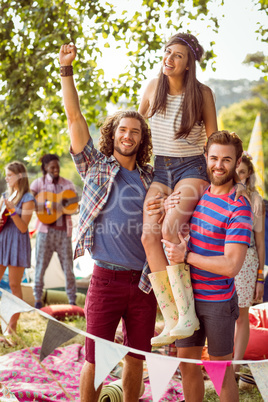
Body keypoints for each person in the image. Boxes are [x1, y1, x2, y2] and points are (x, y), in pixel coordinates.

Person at [59, 43, 173, 402]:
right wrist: (66, 71)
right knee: (95, 359)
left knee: (137, 359)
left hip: (143, 283)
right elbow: (75, 118)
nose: (128, 135)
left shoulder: (152, 178)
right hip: (105, 278)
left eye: (135, 131)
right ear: (114, 133)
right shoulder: (95, 165)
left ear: (142, 139)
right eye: (123, 130)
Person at [138, 32, 218, 346]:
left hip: (192, 167)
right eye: (167, 53)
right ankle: (171, 317)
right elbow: (135, 127)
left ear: (188, 65)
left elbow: (213, 139)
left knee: (170, 228)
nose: (169, 59)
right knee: (148, 234)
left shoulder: (202, 93)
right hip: (161, 169)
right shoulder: (152, 88)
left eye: (178, 56)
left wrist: (222, 180)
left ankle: (188, 314)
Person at [162, 131, 253, 402]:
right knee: (187, 367)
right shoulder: (199, 193)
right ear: (205, 157)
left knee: (220, 374)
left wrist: (185, 257)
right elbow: (175, 228)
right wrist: (169, 206)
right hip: (187, 297)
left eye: (227, 159)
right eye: (214, 158)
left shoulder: (239, 207)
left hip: (217, 301)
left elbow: (231, 266)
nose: (219, 165)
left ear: (237, 162)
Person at [30, 154, 77, 309]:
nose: (56, 170)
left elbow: (74, 205)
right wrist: (48, 204)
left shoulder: (68, 184)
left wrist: (65, 205)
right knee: (40, 266)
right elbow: (29, 200)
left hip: (64, 233)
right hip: (45, 232)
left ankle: (72, 301)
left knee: (68, 269)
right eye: (52, 167)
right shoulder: (38, 183)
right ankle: (38, 300)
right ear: (45, 168)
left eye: (57, 166)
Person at [233, 151, 265, 374]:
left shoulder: (255, 200)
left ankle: (234, 366)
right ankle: (219, 357)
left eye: (242, 172)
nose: (237, 176)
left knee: (241, 315)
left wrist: (260, 277)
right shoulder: (215, 192)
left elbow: (261, 243)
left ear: (249, 174)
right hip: (218, 257)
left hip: (247, 260)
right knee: (218, 312)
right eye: (235, 171)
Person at [0, 162, 35, 345]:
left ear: (19, 176)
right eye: (6, 175)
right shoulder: (5, 195)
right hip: (2, 241)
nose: (6, 178)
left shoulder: (28, 198)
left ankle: (11, 329)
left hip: (17, 242)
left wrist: (12, 209)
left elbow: (23, 227)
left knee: (14, 286)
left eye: (9, 175)